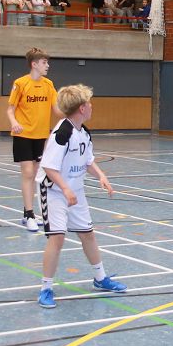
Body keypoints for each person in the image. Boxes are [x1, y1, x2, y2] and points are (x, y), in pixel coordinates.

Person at [35, 83, 126, 308]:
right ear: (82, 108)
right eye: (89, 103)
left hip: (75, 190)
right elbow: (48, 166)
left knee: (88, 234)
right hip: (54, 191)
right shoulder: (62, 133)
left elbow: (88, 161)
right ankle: (46, 288)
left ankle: (100, 278)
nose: (92, 106)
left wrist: (101, 175)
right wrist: (65, 189)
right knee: (57, 238)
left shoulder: (83, 133)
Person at [7, 47, 62, 231]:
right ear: (34, 64)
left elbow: (57, 110)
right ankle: (30, 214)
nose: (48, 65)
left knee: (35, 173)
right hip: (23, 134)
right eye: (44, 62)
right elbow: (10, 109)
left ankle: (27, 212)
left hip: (41, 135)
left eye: (47, 62)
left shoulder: (49, 84)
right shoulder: (20, 83)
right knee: (28, 173)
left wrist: (73, 112)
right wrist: (14, 122)